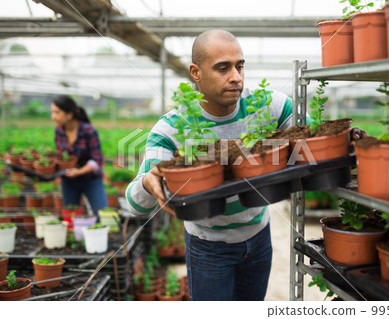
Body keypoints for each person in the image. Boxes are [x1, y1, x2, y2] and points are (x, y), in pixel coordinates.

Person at [126, 29, 364, 301]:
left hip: (259, 236)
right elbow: (135, 203)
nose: (236, 77)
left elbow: (314, 139)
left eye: (240, 66)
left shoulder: (268, 105)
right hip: (207, 247)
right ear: (195, 72)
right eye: (222, 68)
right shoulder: (171, 129)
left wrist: (347, 139)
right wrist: (147, 181)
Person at [51, 95, 108, 218]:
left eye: (57, 112)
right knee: (71, 216)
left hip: (91, 179)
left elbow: (97, 160)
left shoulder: (89, 131)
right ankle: (76, 236)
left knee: (102, 216)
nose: (53, 116)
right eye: (52, 112)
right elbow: (61, 156)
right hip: (69, 180)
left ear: (69, 114)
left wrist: (79, 171)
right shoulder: (59, 131)